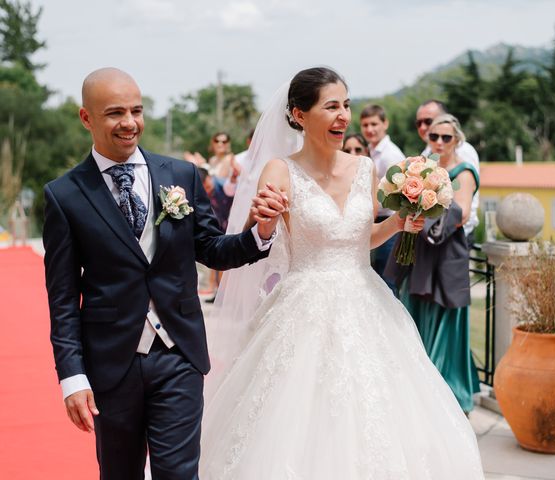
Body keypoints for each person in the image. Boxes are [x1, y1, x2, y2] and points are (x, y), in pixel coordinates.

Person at [198, 67, 484, 479]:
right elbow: (254, 239)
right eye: (331, 106)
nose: (343, 116)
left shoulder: (365, 168)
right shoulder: (280, 171)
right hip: (302, 306)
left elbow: (361, 236)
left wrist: (400, 222)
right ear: (299, 114)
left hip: (366, 299)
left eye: (346, 105)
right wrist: (260, 223)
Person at [42, 67, 281, 480]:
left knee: (179, 474)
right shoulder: (64, 196)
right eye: (115, 113)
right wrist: (72, 376)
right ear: (87, 119)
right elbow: (62, 298)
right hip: (111, 363)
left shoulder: (181, 176)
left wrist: (258, 233)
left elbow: (211, 250)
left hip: (178, 354)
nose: (130, 122)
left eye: (136, 110)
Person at [386, 114, 481, 414]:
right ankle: (418, 389)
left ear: (457, 141)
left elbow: (461, 213)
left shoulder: (464, 172)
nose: (439, 142)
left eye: (446, 138)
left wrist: (427, 215)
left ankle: (448, 395)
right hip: (420, 252)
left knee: (445, 320)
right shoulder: (422, 169)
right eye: (434, 137)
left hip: (446, 253)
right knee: (416, 316)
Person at [417, 99, 480, 247]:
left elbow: (465, 204)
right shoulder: (426, 153)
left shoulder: (464, 153)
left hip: (456, 233)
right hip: (428, 233)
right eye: (418, 122)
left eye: (428, 121)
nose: (423, 126)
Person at [360, 104, 405, 292]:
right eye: (365, 125)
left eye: (374, 124)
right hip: (374, 221)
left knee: (386, 282)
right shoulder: (370, 151)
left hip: (389, 222)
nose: (369, 130)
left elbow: (401, 192)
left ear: (385, 123)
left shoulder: (390, 155)